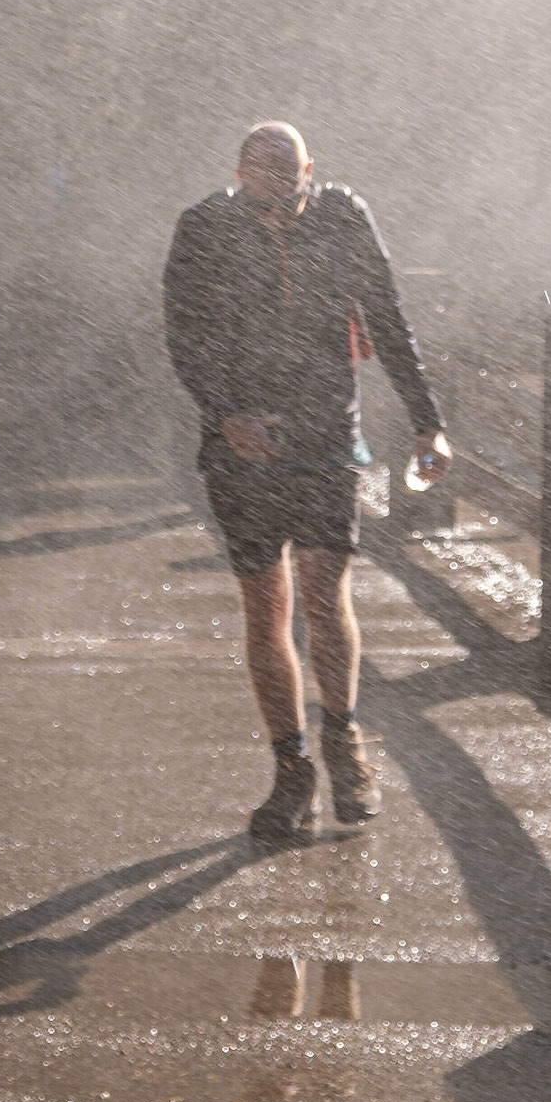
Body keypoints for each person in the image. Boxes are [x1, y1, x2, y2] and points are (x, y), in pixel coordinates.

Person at [163, 121, 451, 841]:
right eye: (262, 174)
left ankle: (344, 740)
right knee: (267, 605)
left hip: (326, 432)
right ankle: (291, 770)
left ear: (310, 170)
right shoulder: (203, 229)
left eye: (291, 176)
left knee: (326, 592)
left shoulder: (344, 217)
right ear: (238, 172)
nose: (280, 190)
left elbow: (387, 317)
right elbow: (183, 333)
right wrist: (224, 412)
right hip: (243, 441)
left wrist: (428, 422)